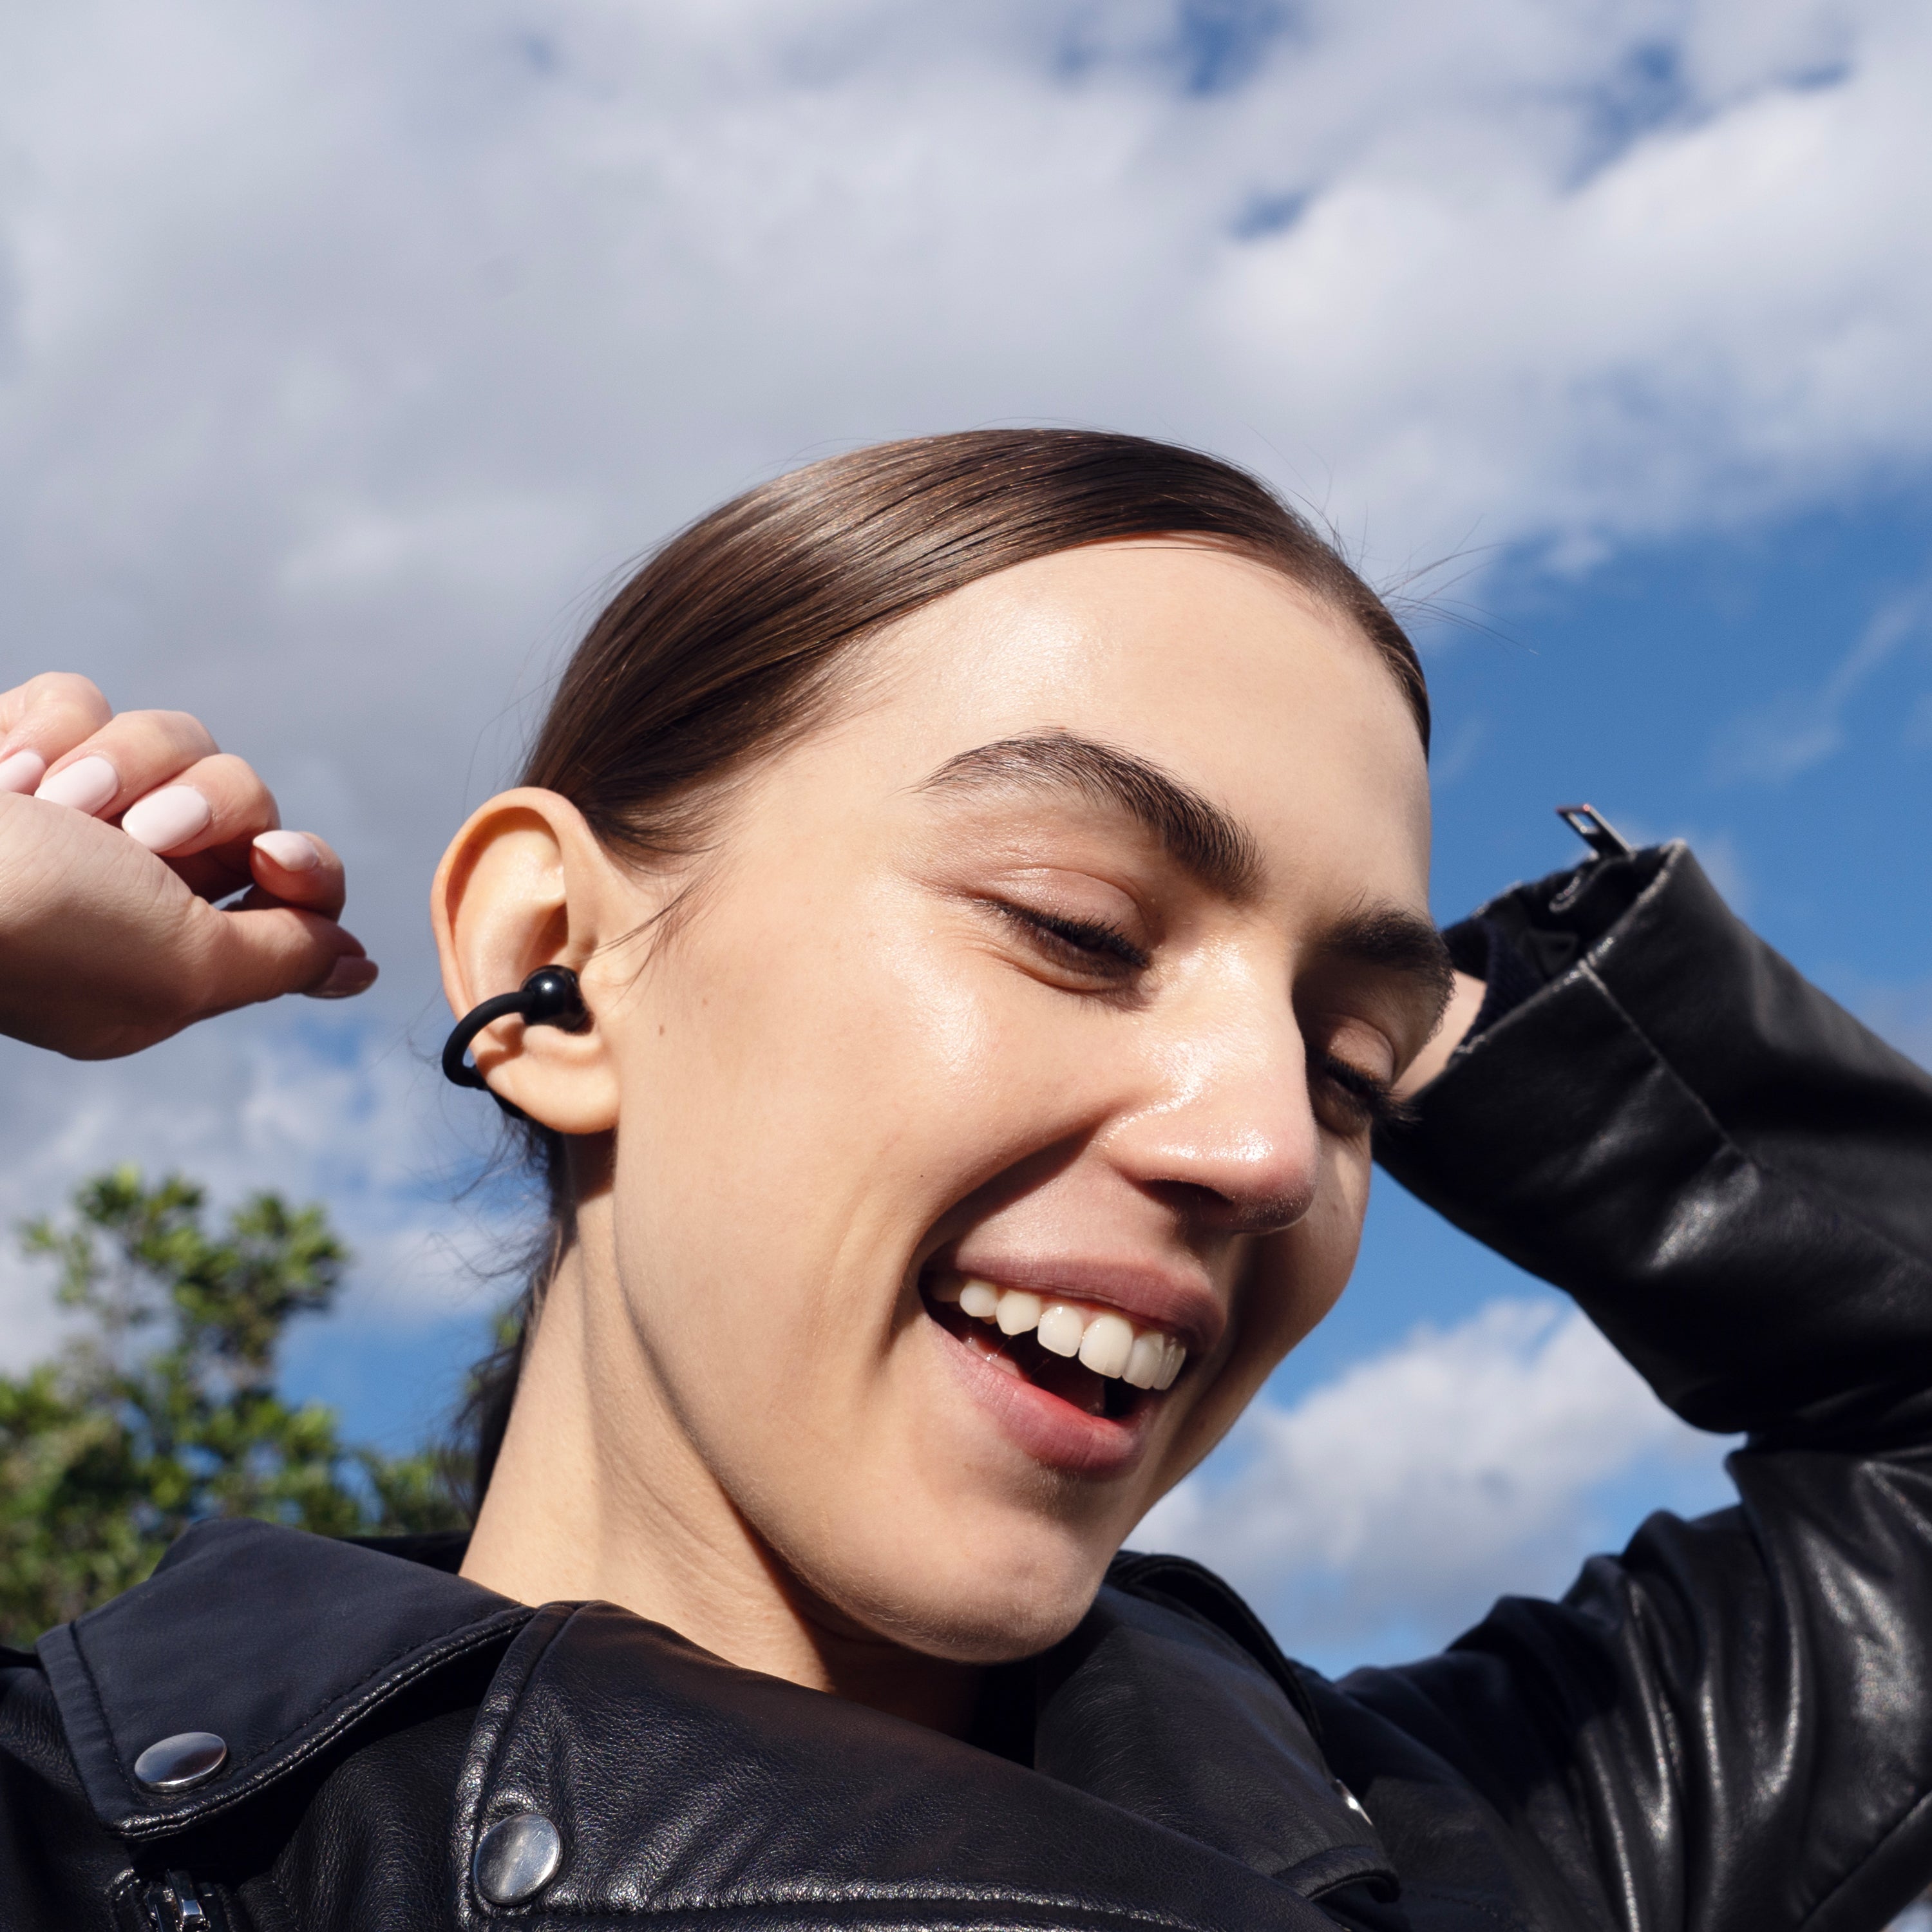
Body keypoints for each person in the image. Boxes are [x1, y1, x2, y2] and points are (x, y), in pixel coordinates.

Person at [0, 429, 1927, 1932]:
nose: (1265, 1149)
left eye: (1355, 1067)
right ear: (548, 961)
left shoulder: (1489, 1857)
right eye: (1076, 927)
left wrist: (1560, 1026)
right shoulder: (90, 1854)